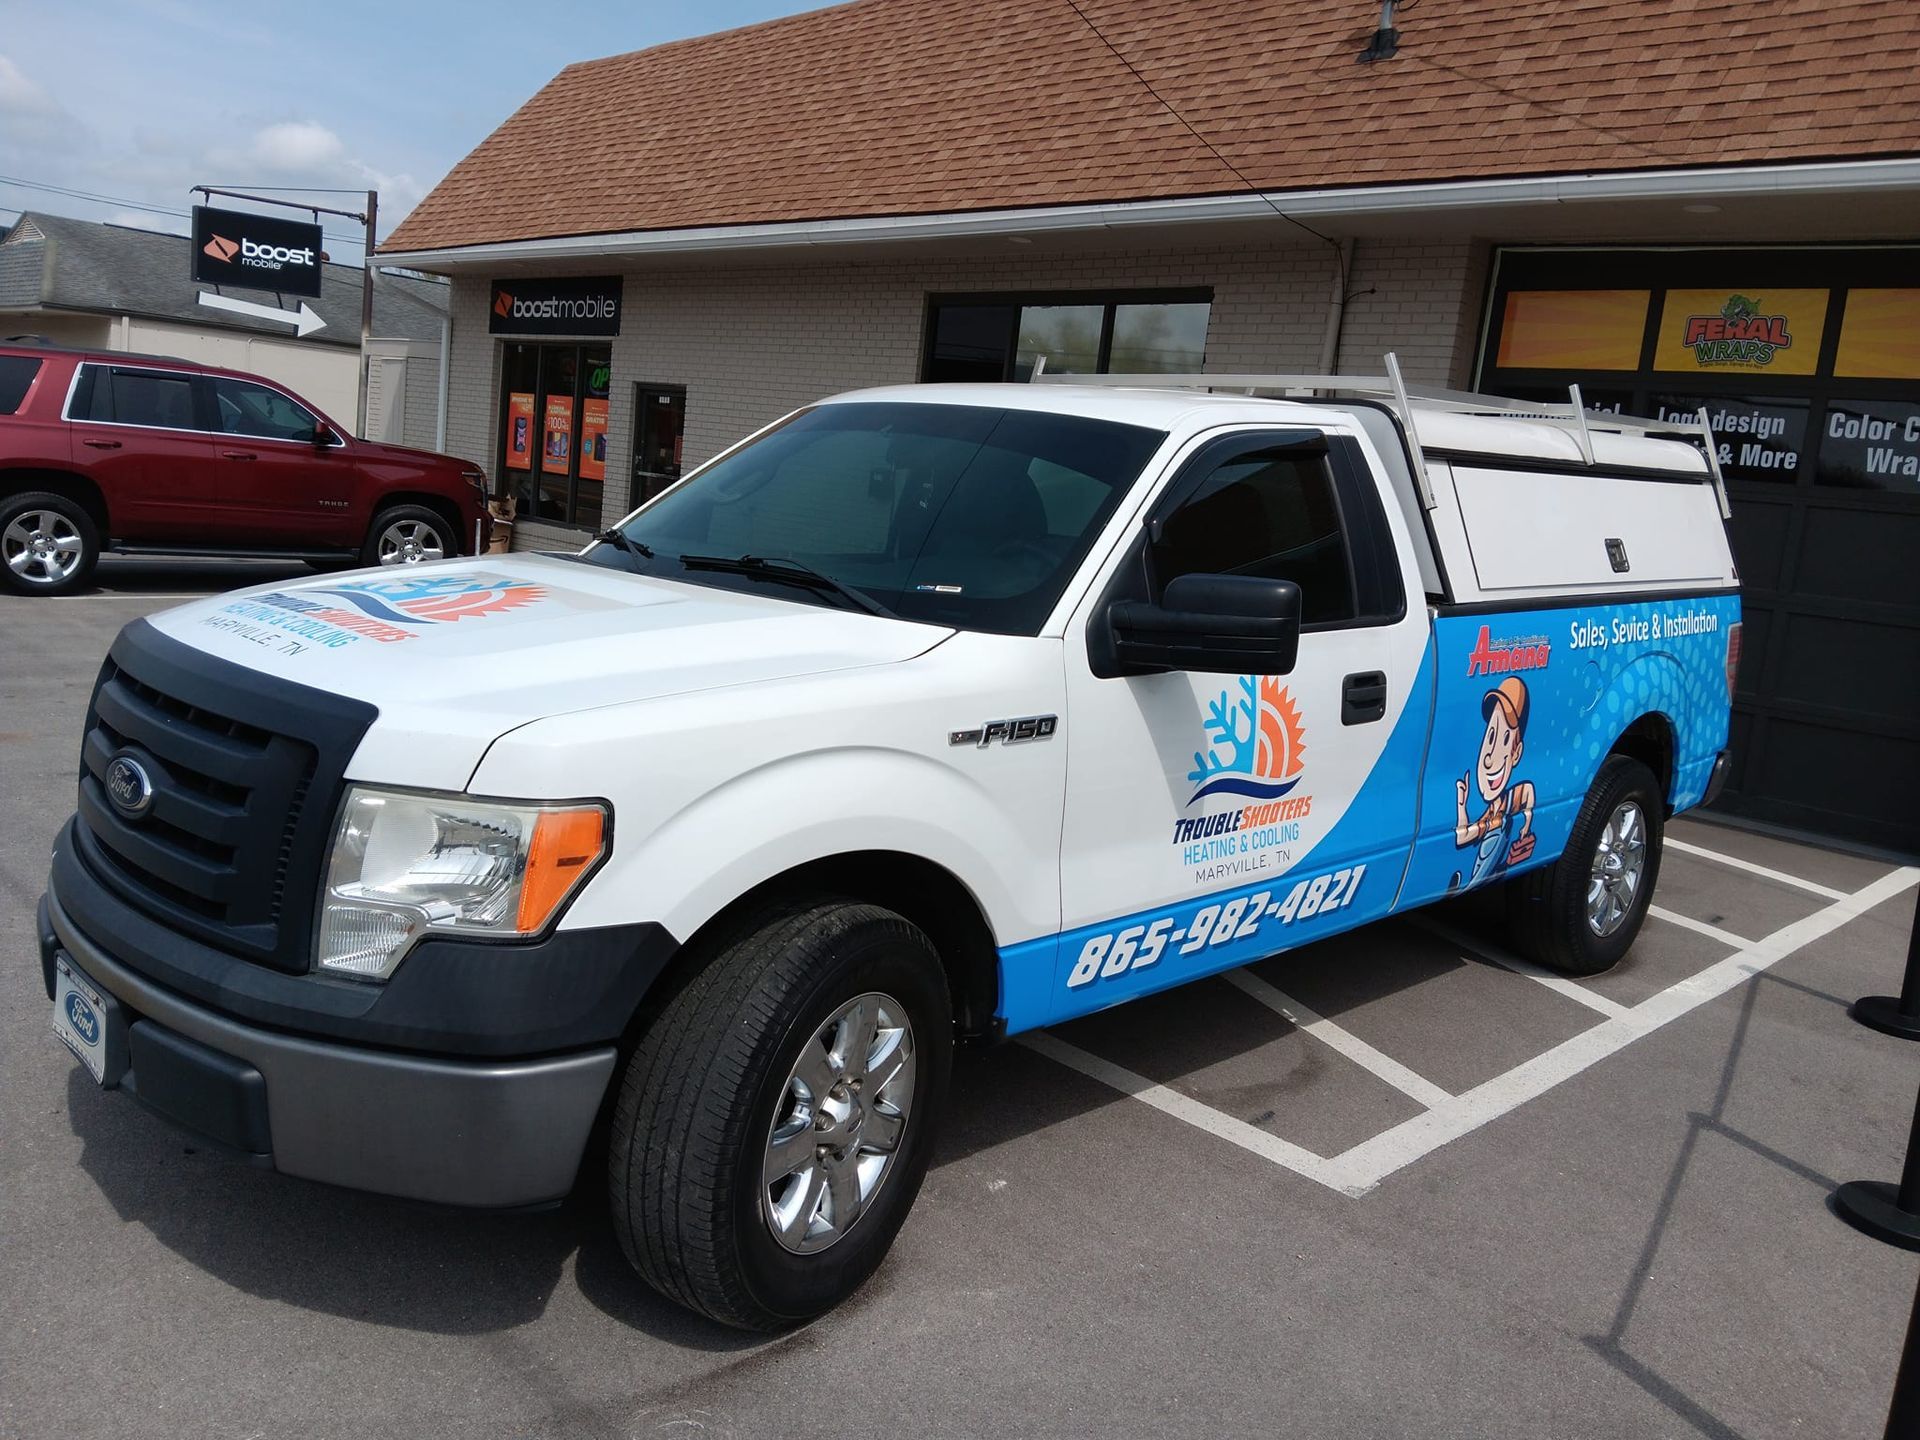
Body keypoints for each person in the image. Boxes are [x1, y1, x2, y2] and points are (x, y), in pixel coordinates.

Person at [1449, 675, 1537, 893]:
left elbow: (1528, 794)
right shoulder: (1491, 811)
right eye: (1491, 737)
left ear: (1516, 753)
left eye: (1505, 740)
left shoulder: (1510, 800)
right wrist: (1461, 806)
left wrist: (1526, 826)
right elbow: (1462, 836)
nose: (1489, 758)